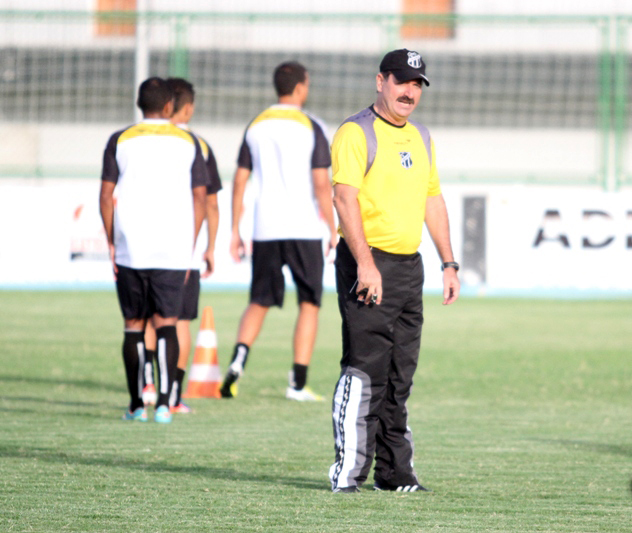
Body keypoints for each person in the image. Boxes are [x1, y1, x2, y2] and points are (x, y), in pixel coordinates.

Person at [327, 49, 460, 493]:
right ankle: (348, 473)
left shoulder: (421, 137)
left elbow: (432, 200)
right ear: (380, 81)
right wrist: (365, 264)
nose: (409, 91)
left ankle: (394, 473)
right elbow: (344, 200)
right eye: (402, 81)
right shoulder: (356, 132)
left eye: (417, 84)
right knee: (366, 369)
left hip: (409, 267)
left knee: (401, 375)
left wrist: (448, 262)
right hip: (368, 263)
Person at [219, 61, 337, 402]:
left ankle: (238, 362)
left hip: (265, 227)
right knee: (309, 304)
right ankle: (297, 383)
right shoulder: (312, 125)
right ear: (301, 87)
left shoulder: (256, 125)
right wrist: (332, 227)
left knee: (258, 301)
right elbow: (319, 183)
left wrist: (235, 230)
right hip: (303, 227)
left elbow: (240, 179)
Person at [100, 77, 208, 424]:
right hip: (173, 249)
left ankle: (135, 404)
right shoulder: (189, 141)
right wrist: (191, 244)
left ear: (139, 104)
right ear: (168, 107)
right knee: (167, 324)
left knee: (133, 325)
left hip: (131, 247)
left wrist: (112, 240)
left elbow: (105, 196)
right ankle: (164, 403)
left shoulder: (120, 140)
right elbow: (200, 197)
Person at [141, 77, 223, 413]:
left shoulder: (136, 139)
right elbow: (210, 203)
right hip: (181, 249)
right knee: (179, 321)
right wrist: (209, 246)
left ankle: (146, 383)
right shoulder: (196, 145)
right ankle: (173, 395)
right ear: (184, 107)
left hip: (143, 244)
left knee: (147, 319)